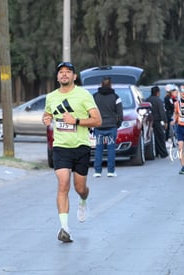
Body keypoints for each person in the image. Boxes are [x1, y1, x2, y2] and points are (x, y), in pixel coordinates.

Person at [42, 62, 102, 243]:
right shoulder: (51, 97)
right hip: (60, 147)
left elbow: (97, 120)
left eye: (68, 72)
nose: (64, 75)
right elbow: (48, 115)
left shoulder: (83, 95)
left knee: (80, 188)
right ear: (57, 77)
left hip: (81, 146)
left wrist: (75, 120)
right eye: (61, 72)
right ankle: (64, 228)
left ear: (74, 77)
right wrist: (46, 119)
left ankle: (83, 201)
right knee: (63, 184)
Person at [92, 77, 123, 178]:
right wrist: (117, 124)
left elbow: (90, 111)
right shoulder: (115, 97)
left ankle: (97, 171)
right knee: (111, 149)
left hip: (99, 126)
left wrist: (92, 124)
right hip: (111, 126)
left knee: (98, 149)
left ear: (101, 84)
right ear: (110, 85)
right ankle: (111, 171)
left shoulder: (95, 97)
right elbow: (120, 113)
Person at [146, 86, 169, 158]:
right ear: (157, 92)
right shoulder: (158, 100)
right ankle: (163, 153)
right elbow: (161, 111)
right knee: (160, 137)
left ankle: (156, 152)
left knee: (153, 138)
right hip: (156, 121)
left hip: (148, 122)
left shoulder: (147, 100)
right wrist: (165, 121)